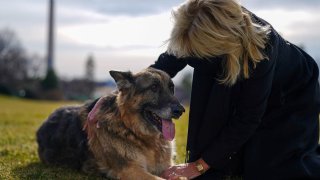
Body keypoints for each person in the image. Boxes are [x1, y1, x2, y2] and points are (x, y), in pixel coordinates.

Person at [150, 0, 320, 179]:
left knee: (270, 165)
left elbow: (247, 118)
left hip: (292, 90)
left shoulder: (261, 48)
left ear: (217, 44)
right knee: (207, 134)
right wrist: (129, 92)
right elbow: (160, 69)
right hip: (233, 67)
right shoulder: (191, 26)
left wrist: (198, 167)